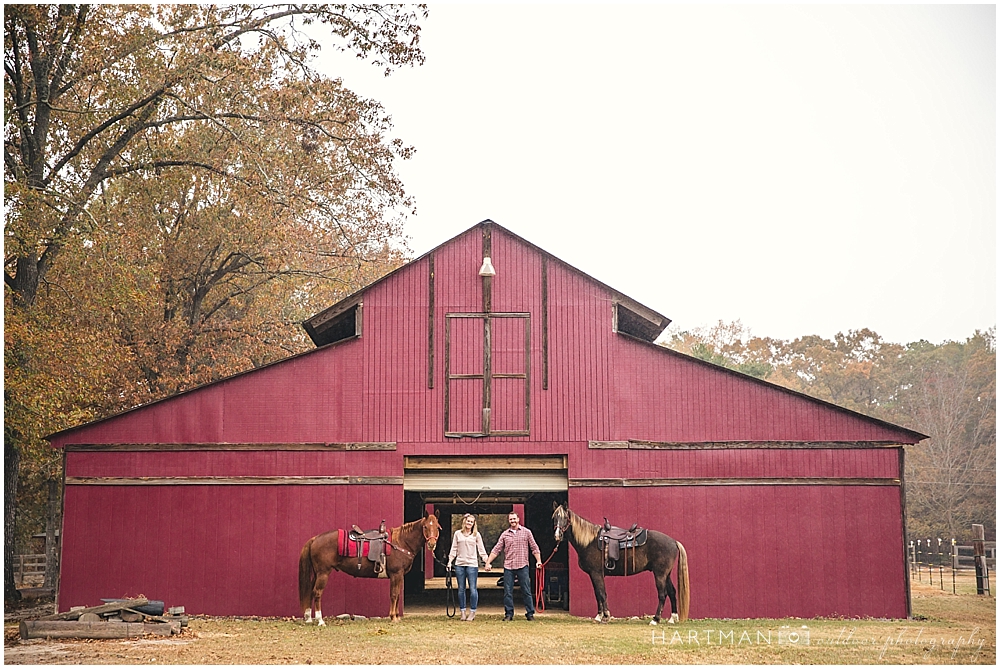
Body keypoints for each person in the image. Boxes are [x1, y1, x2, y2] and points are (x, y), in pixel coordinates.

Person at [486, 511, 542, 621]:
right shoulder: (505, 534)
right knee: (508, 591)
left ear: (518, 519)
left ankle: (530, 613)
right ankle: (509, 614)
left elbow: (534, 547)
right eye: (511, 519)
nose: (513, 521)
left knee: (526, 590)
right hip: (509, 567)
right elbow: (497, 549)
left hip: (522, 566)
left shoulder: (526, 532)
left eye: (514, 519)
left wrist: (538, 561)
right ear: (509, 521)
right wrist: (488, 562)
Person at [446, 513, 490, 621]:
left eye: (471, 522)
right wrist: (450, 561)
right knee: (461, 589)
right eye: (468, 521)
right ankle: (462, 612)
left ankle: (472, 612)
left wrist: (487, 562)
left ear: (473, 524)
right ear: (464, 522)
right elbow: (454, 549)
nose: (469, 523)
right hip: (460, 564)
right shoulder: (457, 534)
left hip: (472, 565)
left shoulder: (476, 535)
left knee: (473, 589)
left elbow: (481, 550)